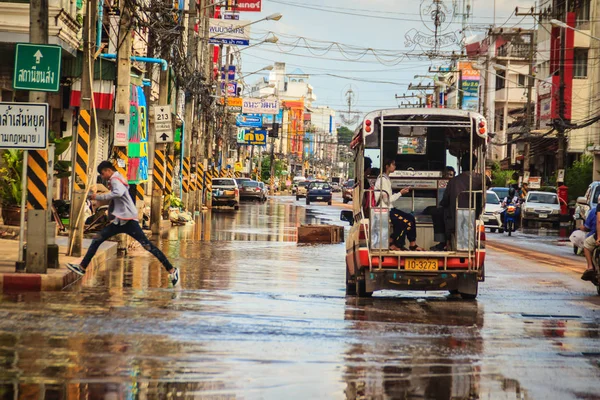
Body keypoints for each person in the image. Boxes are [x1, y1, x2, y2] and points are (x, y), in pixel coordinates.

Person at [67, 161, 180, 287]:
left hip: (129, 220)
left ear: (108, 170)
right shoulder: (118, 177)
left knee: (148, 246)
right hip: (120, 221)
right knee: (97, 239)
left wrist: (97, 197)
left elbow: (118, 193)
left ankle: (172, 270)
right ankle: (82, 267)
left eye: (103, 173)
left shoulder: (115, 179)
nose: (103, 176)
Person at [431, 153, 487, 251]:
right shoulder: (481, 179)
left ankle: (443, 242)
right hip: (472, 218)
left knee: (437, 212)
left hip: (453, 220)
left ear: (461, 165)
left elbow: (445, 201)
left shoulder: (454, 181)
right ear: (474, 165)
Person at [374, 158, 424, 251]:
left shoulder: (386, 178)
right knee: (405, 222)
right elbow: (387, 200)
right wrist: (400, 193)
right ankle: (396, 244)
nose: (395, 166)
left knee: (411, 218)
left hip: (390, 208)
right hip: (385, 210)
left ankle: (412, 243)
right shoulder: (382, 180)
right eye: (393, 164)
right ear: (387, 166)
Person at [582, 202, 600, 281]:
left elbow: (599, 221)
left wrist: (599, 237)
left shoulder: (594, 209)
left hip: (596, 235)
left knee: (587, 244)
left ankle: (590, 267)